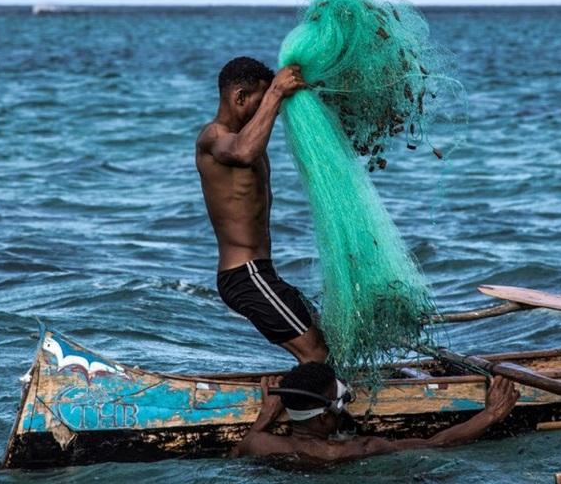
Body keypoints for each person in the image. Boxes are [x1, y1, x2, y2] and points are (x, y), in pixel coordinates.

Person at [196, 56, 328, 363]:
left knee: (324, 341)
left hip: (262, 272)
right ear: (239, 97)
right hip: (243, 274)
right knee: (316, 353)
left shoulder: (249, 136)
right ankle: (277, 408)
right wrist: (275, 93)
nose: (273, 110)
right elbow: (242, 152)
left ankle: (314, 405)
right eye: (260, 100)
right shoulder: (212, 137)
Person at [231, 362, 520, 463]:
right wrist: (491, 414)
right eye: (341, 399)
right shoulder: (355, 450)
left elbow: (236, 453)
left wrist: (266, 416)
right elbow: (437, 443)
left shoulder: (259, 443)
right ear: (323, 418)